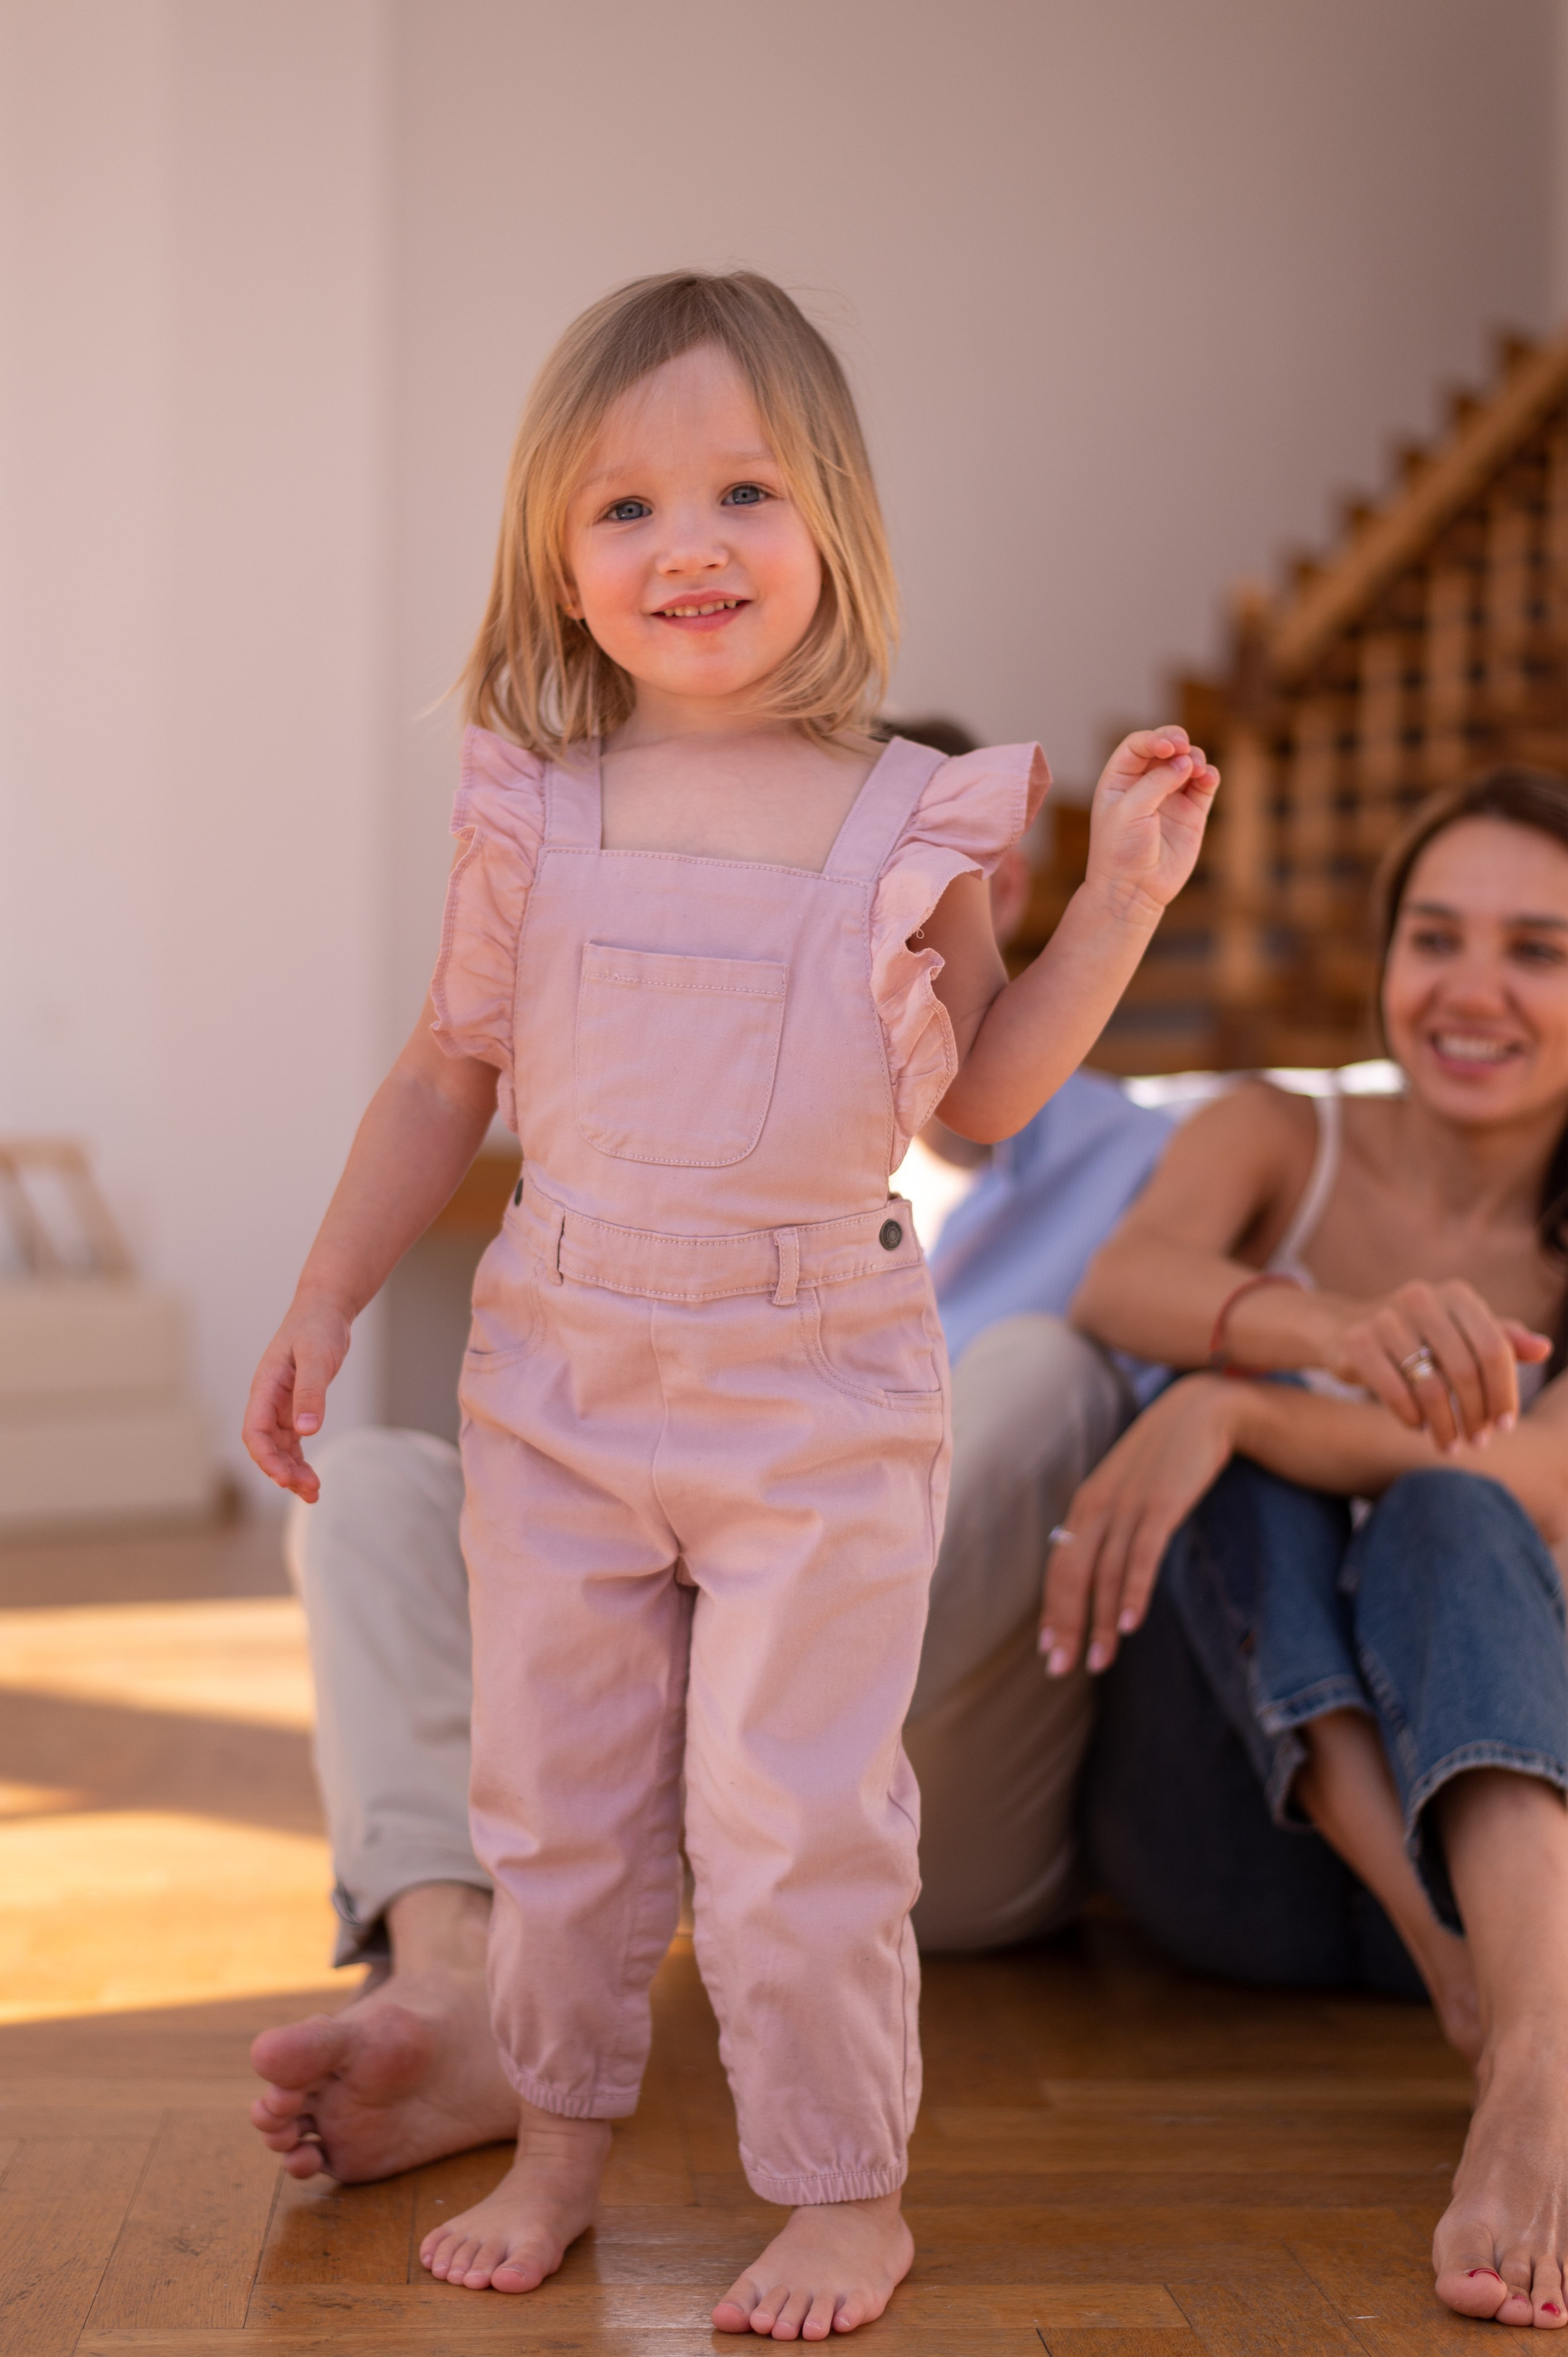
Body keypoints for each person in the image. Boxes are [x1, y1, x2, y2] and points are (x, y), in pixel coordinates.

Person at [241, 267, 1218, 2342]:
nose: (688, 544)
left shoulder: (907, 816)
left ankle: (846, 2188)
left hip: (818, 1381)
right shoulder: (532, 801)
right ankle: (560, 2141)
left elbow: (987, 1095)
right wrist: (325, 1295)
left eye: (744, 492)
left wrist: (1122, 898)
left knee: (796, 1816)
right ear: (557, 558)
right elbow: (442, 1076)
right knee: (558, 1803)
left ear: (834, 523)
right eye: (627, 507)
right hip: (564, 1365)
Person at [1048, 766, 1568, 2332]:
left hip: (1497, 1853)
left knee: (1445, 1502)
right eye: (1434, 935)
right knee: (1216, 1443)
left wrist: (1241, 1402)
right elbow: (1120, 1280)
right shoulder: (1275, 1129)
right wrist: (1321, 1342)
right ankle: (1465, 1985)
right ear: (1384, 954)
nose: (1469, 988)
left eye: (1536, 950)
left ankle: (1535, 2060)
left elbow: (1533, 1472)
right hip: (1226, 1857)